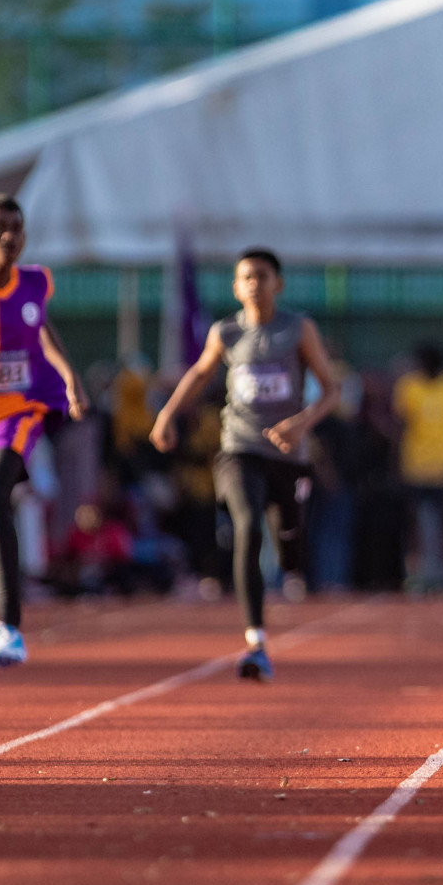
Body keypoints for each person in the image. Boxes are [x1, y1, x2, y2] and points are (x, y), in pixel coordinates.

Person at [150, 248, 339, 681]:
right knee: (248, 527)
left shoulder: (298, 329)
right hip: (240, 447)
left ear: (279, 284)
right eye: (246, 277)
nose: (254, 283)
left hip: (289, 454)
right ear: (236, 287)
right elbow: (199, 374)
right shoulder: (226, 333)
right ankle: (256, 639)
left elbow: (331, 389)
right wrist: (166, 415)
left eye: (262, 276)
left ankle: (291, 564)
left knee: (291, 543)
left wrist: (301, 422)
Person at [0, 193, 89, 669]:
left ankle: (10, 628)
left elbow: (42, 330)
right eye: (1, 230)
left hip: (20, 411)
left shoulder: (34, 283)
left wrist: (71, 378)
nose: (11, 238)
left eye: (18, 228)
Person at [393, 342, 443, 591]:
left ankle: (440, 571)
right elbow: (401, 424)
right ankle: (417, 572)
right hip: (415, 464)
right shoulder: (409, 385)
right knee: (416, 522)